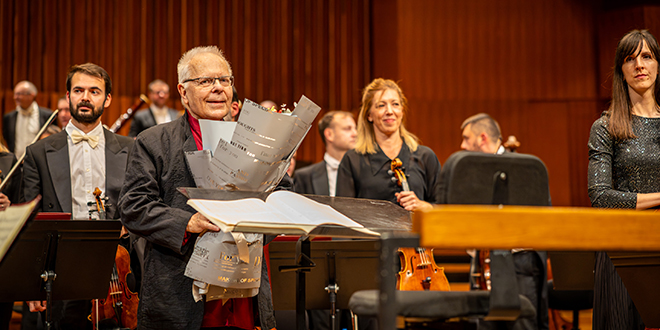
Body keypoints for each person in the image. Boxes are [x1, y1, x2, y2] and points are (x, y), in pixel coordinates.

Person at [119, 45, 291, 330]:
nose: (218, 88)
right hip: (179, 293)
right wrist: (189, 222)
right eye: (205, 81)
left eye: (225, 80)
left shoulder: (256, 141)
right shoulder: (154, 141)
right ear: (183, 92)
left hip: (244, 292)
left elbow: (284, 194)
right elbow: (133, 207)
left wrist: (258, 220)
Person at [22, 63, 134, 328]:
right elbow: (29, 223)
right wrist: (31, 284)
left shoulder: (131, 149)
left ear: (107, 99)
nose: (85, 97)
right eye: (78, 90)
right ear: (68, 96)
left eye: (94, 91)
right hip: (61, 273)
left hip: (116, 273)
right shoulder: (37, 152)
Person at [588, 29, 660, 330]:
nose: (640, 65)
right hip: (621, 250)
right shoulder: (605, 127)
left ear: (658, 64)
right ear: (621, 70)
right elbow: (601, 197)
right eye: (630, 59)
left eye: (647, 56)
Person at [458, 113, 549, 330]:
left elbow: (539, 221)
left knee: (521, 324)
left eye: (465, 138)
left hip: (518, 263)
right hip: (482, 263)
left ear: (482, 138)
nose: (462, 145)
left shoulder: (525, 169)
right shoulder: (471, 172)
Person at [336, 78, 440, 212]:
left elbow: (444, 208)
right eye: (381, 105)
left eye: (395, 104)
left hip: (415, 233)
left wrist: (425, 206)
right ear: (369, 115)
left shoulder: (425, 156)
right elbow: (343, 214)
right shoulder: (352, 160)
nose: (389, 111)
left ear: (402, 111)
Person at [295, 111, 357, 196]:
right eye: (347, 129)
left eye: (355, 128)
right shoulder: (304, 177)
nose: (355, 134)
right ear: (329, 134)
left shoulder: (365, 172)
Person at [3, 81, 53, 157]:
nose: (15, 97)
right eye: (15, 94)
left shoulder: (47, 115)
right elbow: (7, 138)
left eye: (19, 94)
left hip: (38, 163)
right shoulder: (8, 117)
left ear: (31, 95)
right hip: (16, 163)